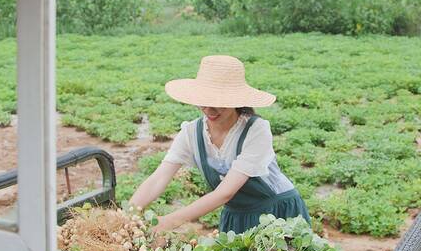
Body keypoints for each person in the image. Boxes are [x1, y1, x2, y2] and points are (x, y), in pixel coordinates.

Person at [129, 55, 310, 234]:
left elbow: (225, 193)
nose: (209, 110)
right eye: (203, 101)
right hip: (236, 215)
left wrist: (171, 220)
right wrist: (129, 214)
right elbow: (159, 177)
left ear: (236, 101)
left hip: (276, 212)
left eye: (218, 103)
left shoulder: (256, 130)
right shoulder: (192, 132)